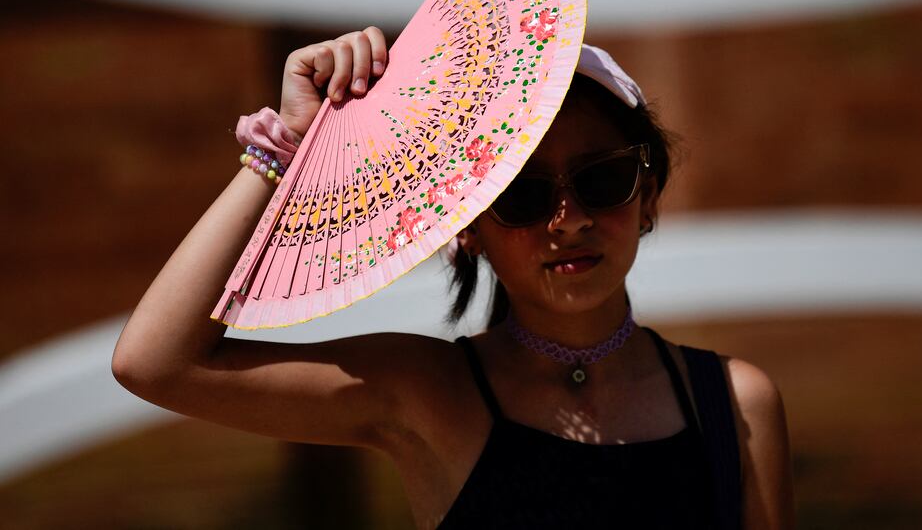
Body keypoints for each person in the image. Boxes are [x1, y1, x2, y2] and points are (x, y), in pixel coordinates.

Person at [112, 27, 796, 529]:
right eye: (521, 194)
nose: (568, 219)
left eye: (603, 178)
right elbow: (154, 362)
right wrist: (281, 153)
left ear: (647, 192)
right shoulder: (426, 392)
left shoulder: (737, 403)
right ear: (465, 229)